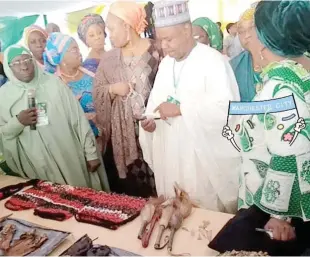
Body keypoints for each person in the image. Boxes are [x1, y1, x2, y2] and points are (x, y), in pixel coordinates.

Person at [139, 0, 241, 213]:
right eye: (160, 40)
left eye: (168, 39)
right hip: (170, 155)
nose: (163, 46)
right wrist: (150, 124)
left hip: (201, 161)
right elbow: (156, 105)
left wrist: (182, 109)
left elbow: (227, 108)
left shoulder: (213, 61)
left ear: (187, 30)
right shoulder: (166, 64)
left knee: (204, 218)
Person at [237, 0, 310, 241]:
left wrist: (279, 215)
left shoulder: (280, 87)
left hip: (282, 207)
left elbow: (288, 152)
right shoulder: (303, 68)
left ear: (267, 36)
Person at [0, 45, 109, 191]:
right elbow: (3, 135)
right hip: (37, 165)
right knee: (53, 206)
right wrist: (18, 122)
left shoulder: (54, 84)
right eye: (16, 63)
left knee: (83, 197)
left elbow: (78, 119)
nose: (24, 67)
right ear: (8, 68)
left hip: (69, 156)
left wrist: (90, 153)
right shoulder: (4, 97)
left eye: (26, 60)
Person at [93, 1, 160, 198]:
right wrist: (112, 89)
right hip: (126, 138)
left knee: (162, 181)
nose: (109, 35)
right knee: (136, 190)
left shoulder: (156, 51)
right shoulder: (109, 59)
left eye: (112, 29)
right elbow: (98, 92)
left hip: (157, 131)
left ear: (126, 25)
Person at [44, 32, 104, 151]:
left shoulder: (90, 73)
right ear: (61, 57)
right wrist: (82, 117)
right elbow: (54, 119)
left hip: (103, 137)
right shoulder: (55, 85)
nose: (79, 53)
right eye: (74, 50)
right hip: (79, 144)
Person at [230, 5, 261, 102]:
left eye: (252, 28)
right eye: (241, 31)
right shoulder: (234, 65)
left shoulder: (282, 60)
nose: (247, 36)